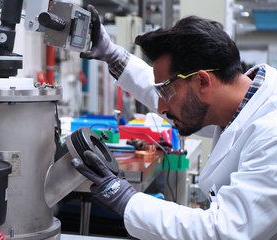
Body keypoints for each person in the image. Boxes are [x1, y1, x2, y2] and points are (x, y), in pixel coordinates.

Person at [71, 4, 277, 240]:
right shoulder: (238, 106)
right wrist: (113, 55)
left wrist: (125, 198)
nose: (161, 107)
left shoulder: (271, 133)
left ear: (202, 82)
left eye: (165, 93)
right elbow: (170, 93)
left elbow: (226, 232)